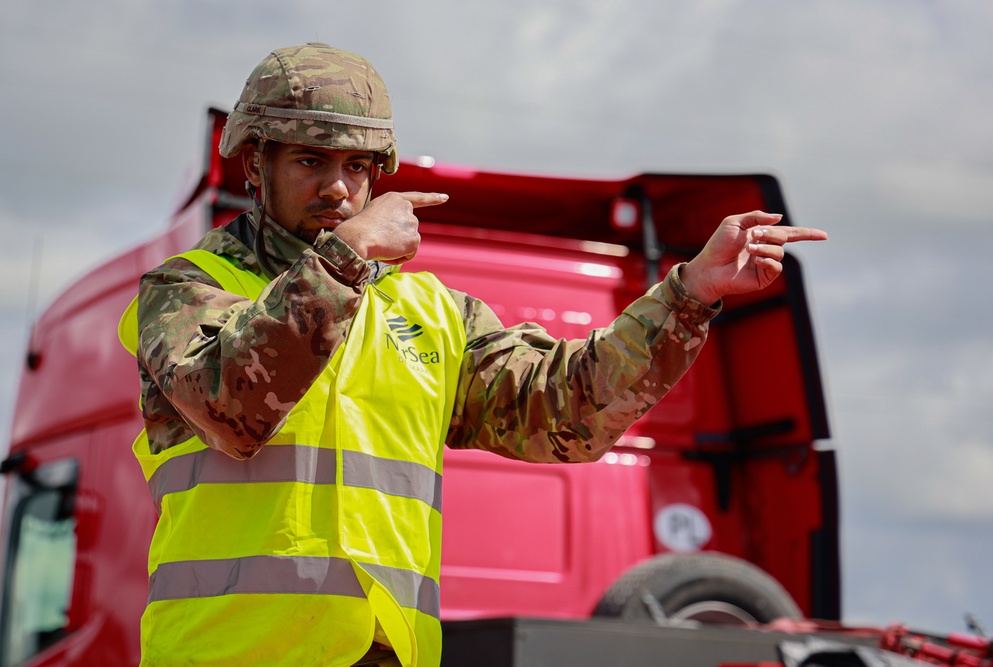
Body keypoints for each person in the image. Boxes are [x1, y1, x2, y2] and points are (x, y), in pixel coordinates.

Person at [119, 43, 827, 667]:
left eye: (358, 166)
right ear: (255, 161)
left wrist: (688, 294)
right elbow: (234, 406)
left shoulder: (430, 313)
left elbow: (569, 408)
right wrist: (349, 254)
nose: (338, 187)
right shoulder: (190, 288)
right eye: (310, 159)